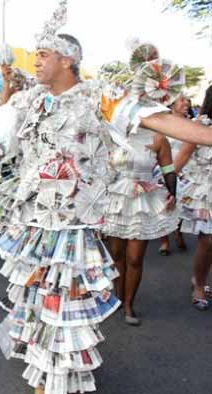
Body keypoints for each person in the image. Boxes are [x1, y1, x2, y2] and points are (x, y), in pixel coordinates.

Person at [0, 3, 212, 391]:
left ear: (67, 60)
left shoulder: (98, 97)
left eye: (42, 54)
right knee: (36, 306)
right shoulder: (27, 100)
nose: (35, 62)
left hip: (73, 228)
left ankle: (59, 381)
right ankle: (46, 376)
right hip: (33, 226)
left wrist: (207, 135)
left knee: (68, 310)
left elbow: (156, 119)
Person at [104, 61, 179, 326]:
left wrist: (173, 192)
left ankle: (128, 304)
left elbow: (168, 168)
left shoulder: (160, 137)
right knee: (117, 256)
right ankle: (115, 296)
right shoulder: (114, 133)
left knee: (135, 257)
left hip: (144, 199)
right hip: (116, 197)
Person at [175, 86, 212, 310]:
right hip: (206, 192)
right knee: (208, 241)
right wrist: (166, 186)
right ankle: (198, 283)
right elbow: (181, 158)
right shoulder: (200, 127)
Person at [158, 93, 190, 255]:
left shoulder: (192, 124)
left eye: (187, 100)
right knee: (164, 203)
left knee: (181, 203)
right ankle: (164, 241)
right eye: (182, 100)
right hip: (166, 167)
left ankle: (178, 231)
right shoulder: (162, 123)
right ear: (171, 105)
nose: (187, 102)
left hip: (186, 170)